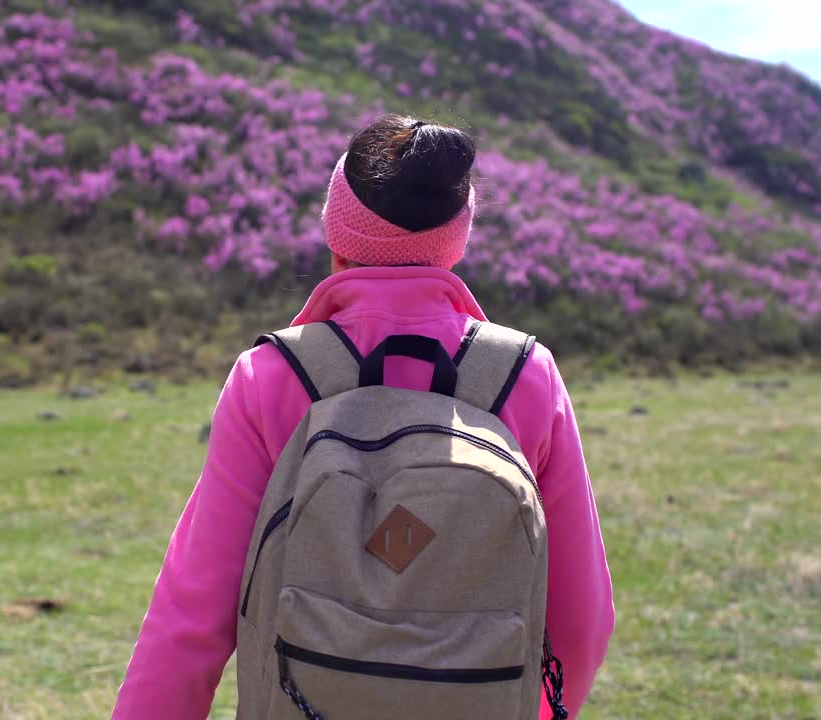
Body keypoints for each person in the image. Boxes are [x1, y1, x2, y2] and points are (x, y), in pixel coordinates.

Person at [112, 114, 614, 718]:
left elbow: (190, 619)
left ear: (336, 232)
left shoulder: (271, 377)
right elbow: (583, 620)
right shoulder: (526, 375)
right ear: (455, 240)